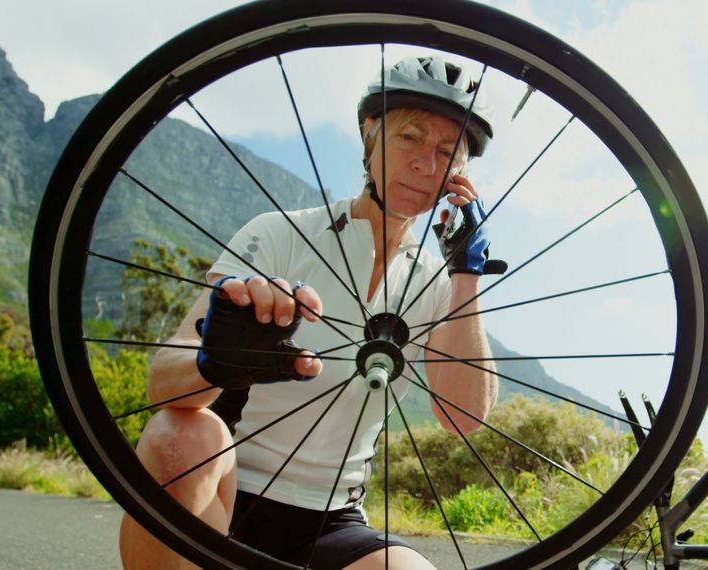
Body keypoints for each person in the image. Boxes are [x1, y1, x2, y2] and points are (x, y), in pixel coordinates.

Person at [119, 55, 503, 569]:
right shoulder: (279, 234)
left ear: (461, 173)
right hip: (221, 487)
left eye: (446, 152)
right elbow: (162, 382)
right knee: (180, 433)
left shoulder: (438, 285)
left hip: (331, 520)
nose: (426, 165)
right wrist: (218, 360)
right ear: (370, 134)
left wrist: (465, 272)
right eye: (410, 137)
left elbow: (463, 418)